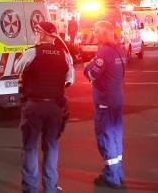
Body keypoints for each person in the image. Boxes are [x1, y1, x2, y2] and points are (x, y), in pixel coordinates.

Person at [15, 21, 74, 193]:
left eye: (37, 32)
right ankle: (50, 188)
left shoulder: (32, 52)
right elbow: (69, 80)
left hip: (34, 106)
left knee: (30, 147)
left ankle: (31, 188)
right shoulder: (64, 55)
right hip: (55, 107)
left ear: (42, 34)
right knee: (51, 147)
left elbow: (17, 68)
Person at [84, 20, 127, 189]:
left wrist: (87, 67)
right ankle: (117, 171)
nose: (94, 34)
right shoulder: (120, 49)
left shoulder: (104, 52)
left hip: (105, 101)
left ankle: (111, 176)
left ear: (103, 33)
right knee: (116, 136)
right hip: (117, 98)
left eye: (96, 31)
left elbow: (92, 74)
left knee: (105, 137)